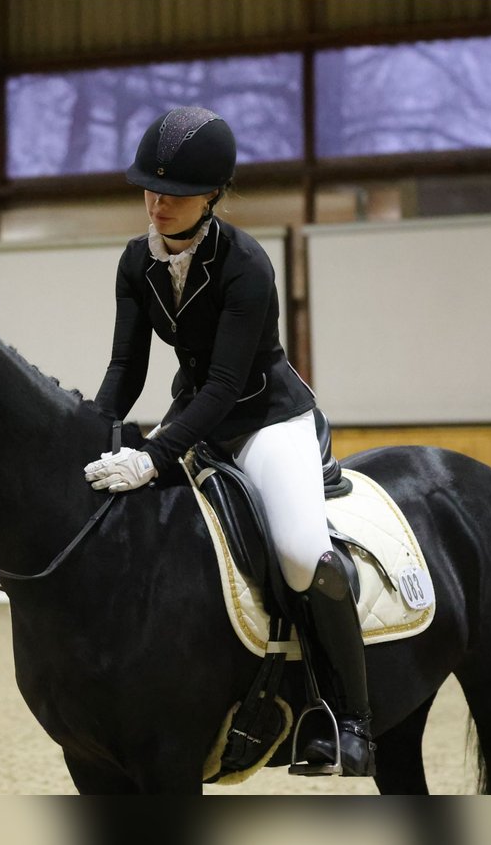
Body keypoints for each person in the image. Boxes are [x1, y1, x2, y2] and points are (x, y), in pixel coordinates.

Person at [81, 106, 375, 777]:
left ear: (212, 194)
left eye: (175, 194)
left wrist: (154, 453)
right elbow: (127, 368)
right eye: (149, 189)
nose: (157, 204)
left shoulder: (246, 264)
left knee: (303, 554)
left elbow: (223, 383)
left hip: (266, 419)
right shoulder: (136, 262)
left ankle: (349, 721)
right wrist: (93, 435)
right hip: (199, 414)